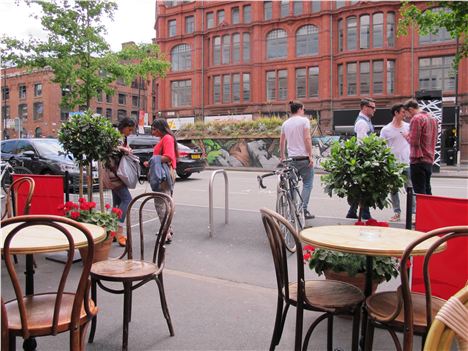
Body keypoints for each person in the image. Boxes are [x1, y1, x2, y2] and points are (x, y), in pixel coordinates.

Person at [279, 100, 314, 219]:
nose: (304, 111)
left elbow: (282, 141)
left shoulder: (285, 124)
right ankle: (302, 210)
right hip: (304, 158)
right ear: (299, 109)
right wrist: (310, 155)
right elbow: (307, 138)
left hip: (291, 160)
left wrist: (282, 157)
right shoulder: (304, 121)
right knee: (308, 184)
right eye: (303, 109)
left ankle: (293, 211)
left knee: (292, 186)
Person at [147, 118, 178, 243]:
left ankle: (165, 234)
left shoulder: (167, 139)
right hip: (166, 173)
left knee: (161, 204)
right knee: (166, 202)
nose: (152, 132)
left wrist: (153, 160)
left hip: (164, 175)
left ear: (160, 129)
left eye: (154, 129)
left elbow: (168, 157)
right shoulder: (165, 139)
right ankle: (167, 229)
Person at [346, 98, 376, 220]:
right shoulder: (362, 123)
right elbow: (362, 143)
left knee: (361, 187)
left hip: (363, 159)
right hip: (363, 159)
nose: (375, 110)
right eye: (372, 107)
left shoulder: (366, 121)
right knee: (364, 187)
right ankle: (365, 214)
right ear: (364, 107)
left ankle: (353, 211)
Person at [380, 103, 411, 222]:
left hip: (406, 162)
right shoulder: (386, 130)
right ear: (396, 113)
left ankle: (412, 213)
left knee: (409, 187)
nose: (405, 114)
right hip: (393, 164)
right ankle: (397, 212)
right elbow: (382, 147)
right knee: (393, 190)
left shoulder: (408, 127)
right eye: (403, 112)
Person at [404, 99, 438, 195]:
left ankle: (422, 210)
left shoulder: (416, 119)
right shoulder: (432, 118)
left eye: (406, 113)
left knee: (420, 193)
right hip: (429, 160)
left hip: (418, 160)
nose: (406, 116)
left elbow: (414, 142)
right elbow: (435, 139)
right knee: (427, 190)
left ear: (410, 109)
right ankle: (429, 210)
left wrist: (407, 136)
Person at [113, 117, 136, 247]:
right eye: (129, 129)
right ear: (124, 126)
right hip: (116, 174)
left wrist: (126, 149)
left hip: (117, 174)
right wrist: (124, 149)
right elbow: (111, 148)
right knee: (127, 200)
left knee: (117, 203)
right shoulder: (116, 135)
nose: (130, 132)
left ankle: (113, 232)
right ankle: (119, 233)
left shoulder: (122, 137)